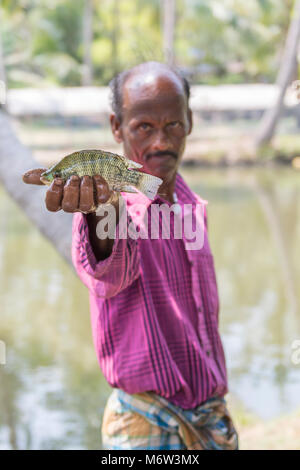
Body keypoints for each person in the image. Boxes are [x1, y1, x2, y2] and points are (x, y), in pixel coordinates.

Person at [23, 61, 239, 450]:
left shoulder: (190, 202)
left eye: (172, 124)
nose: (161, 142)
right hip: (145, 427)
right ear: (116, 127)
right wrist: (103, 212)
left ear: (189, 121)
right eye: (143, 127)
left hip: (209, 417)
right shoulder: (117, 204)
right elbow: (109, 274)